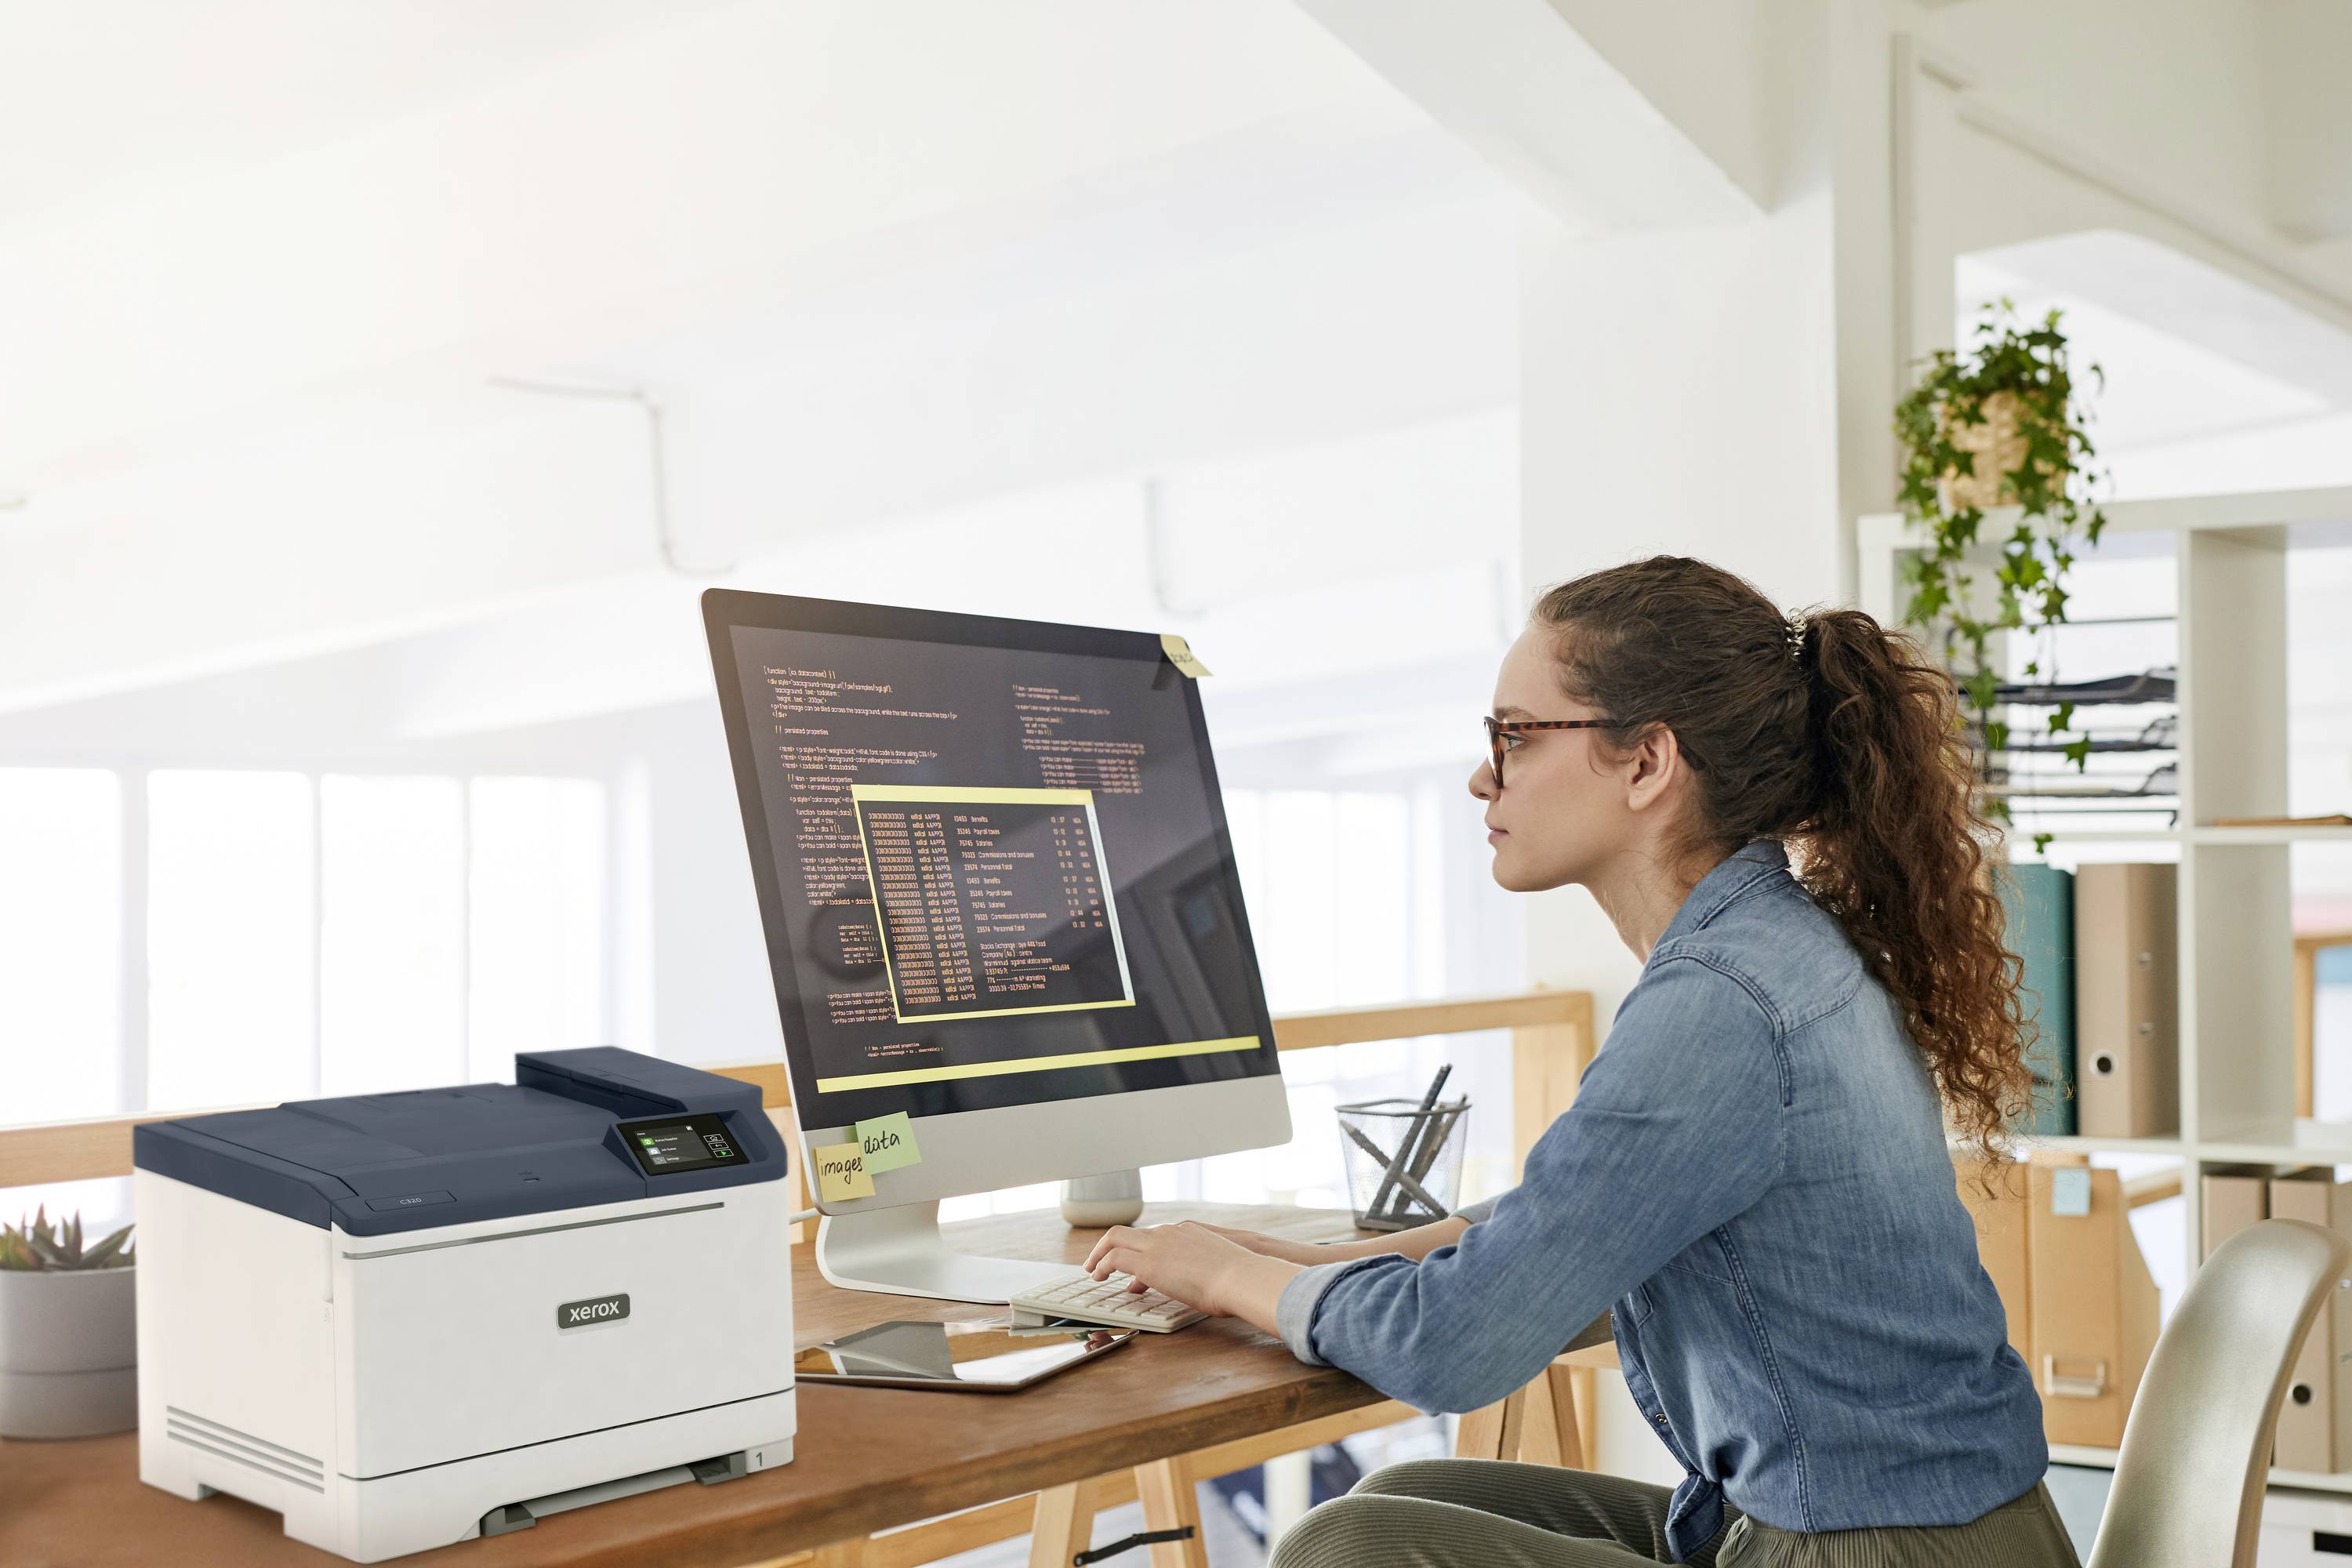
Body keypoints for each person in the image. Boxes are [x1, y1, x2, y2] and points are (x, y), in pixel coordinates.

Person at [1082, 556, 2080, 1566]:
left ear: (1647, 763)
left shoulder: (1722, 1003)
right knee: (1404, 1495)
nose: (1484, 775)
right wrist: (1323, 1266)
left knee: (1355, 1550)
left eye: (1512, 737)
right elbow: (1580, 1228)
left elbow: (1456, 1345)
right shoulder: (1762, 948)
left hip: (1878, 1551)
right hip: (1920, 1525)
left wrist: (1224, 1273)